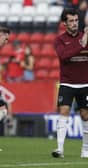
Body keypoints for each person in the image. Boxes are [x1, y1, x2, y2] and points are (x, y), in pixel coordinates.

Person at [52, 8, 88, 158]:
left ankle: (85, 149)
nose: (74, 23)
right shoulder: (59, 40)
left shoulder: (85, 36)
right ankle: (60, 149)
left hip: (85, 83)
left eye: (76, 20)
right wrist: (82, 43)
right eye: (71, 21)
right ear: (64, 23)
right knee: (64, 111)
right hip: (67, 83)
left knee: (85, 115)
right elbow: (64, 56)